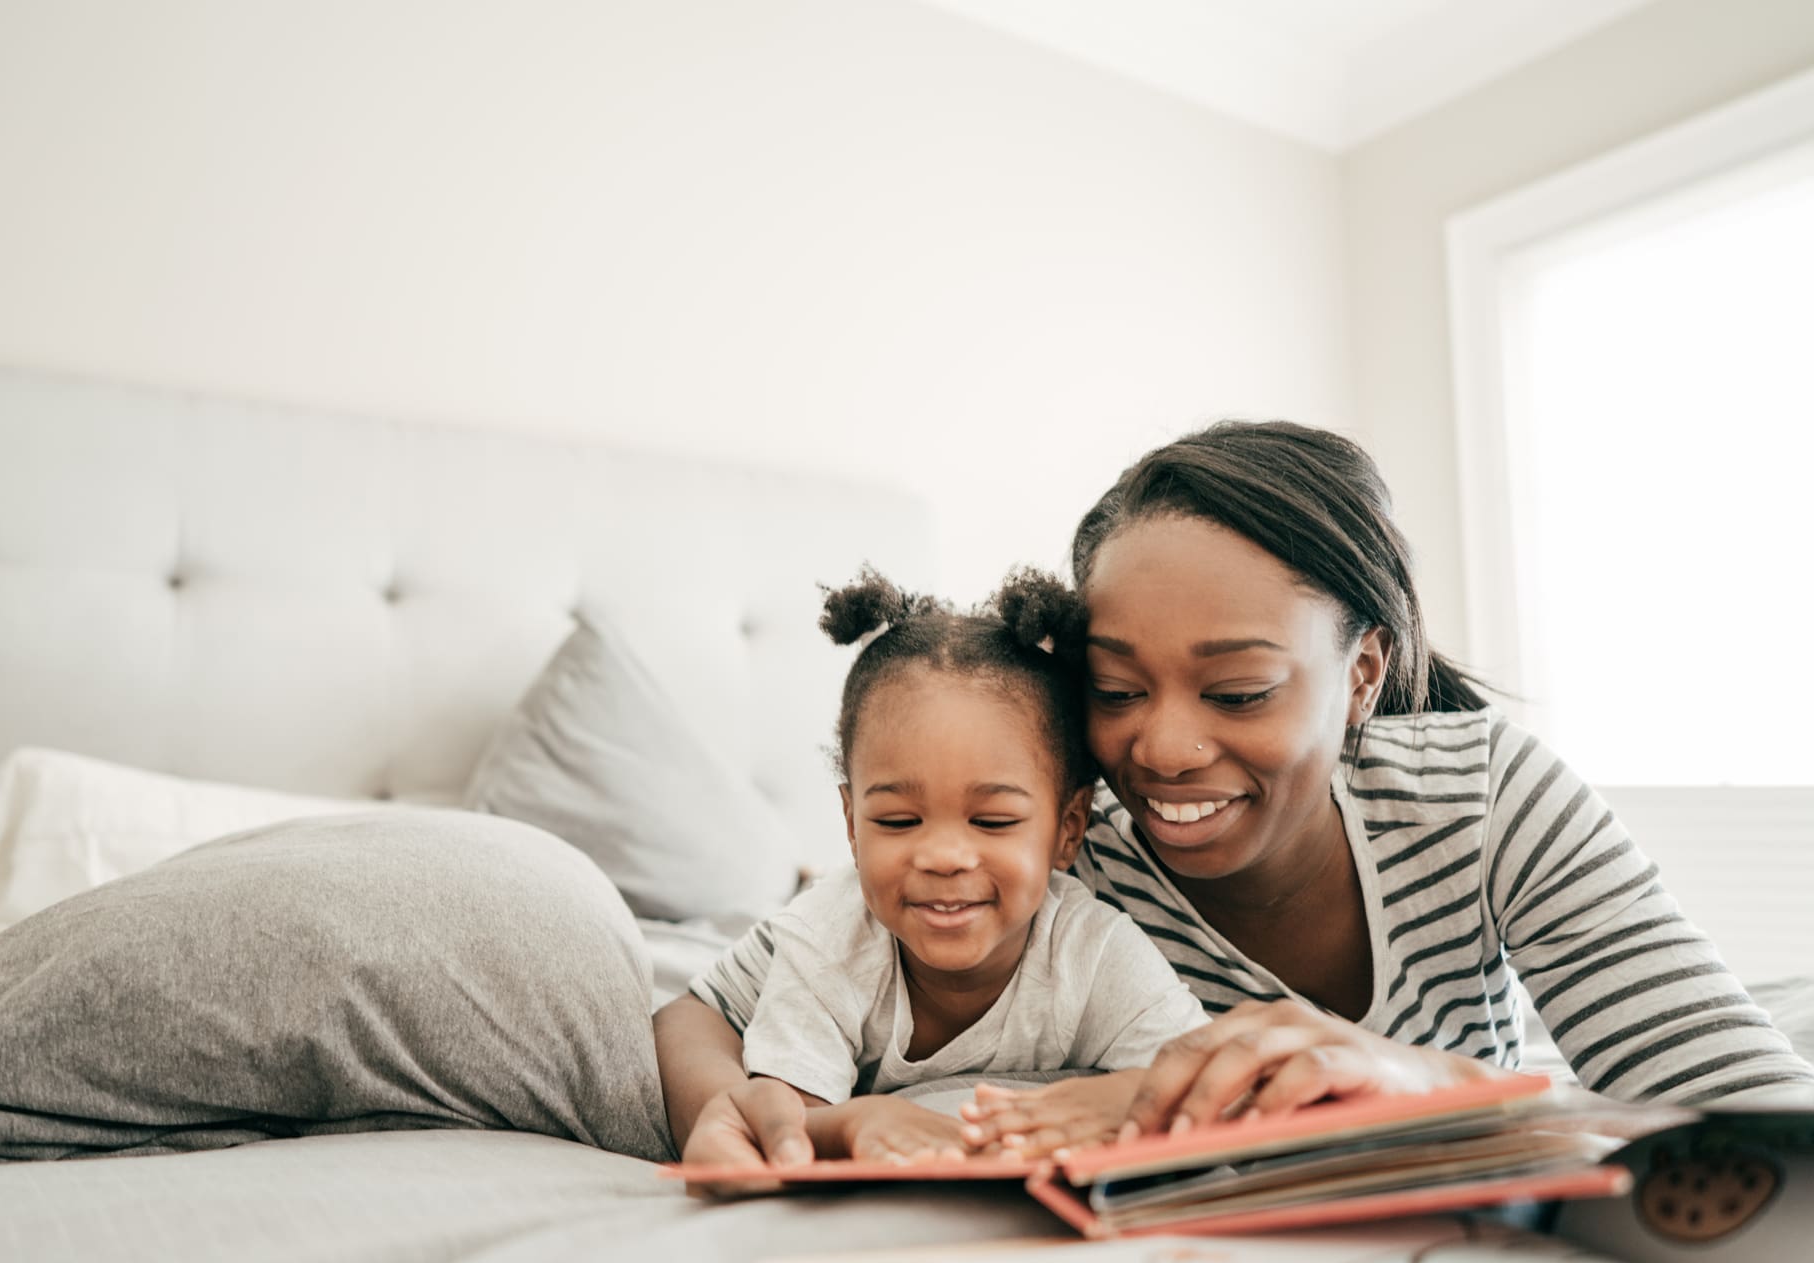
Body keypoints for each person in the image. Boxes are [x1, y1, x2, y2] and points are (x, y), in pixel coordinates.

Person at [658, 420, 1813, 1184]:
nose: (1158, 747)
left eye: (1238, 688)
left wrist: (1420, 1082)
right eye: (1113, 689)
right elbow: (759, 1008)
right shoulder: (1063, 861)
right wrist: (739, 1106)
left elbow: (1756, 1124)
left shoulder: (1484, 801)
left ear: (1361, 675)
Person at [686, 567, 1207, 1165]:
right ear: (852, 825)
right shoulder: (830, 941)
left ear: (1068, 830)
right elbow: (788, 1128)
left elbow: (1195, 1078)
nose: (943, 858)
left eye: (992, 822)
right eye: (898, 822)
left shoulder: (1094, 951)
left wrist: (1124, 1093)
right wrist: (852, 1122)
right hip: (723, 1006)